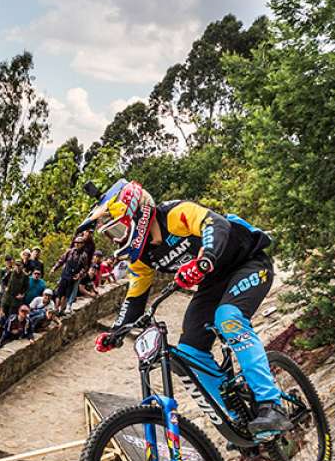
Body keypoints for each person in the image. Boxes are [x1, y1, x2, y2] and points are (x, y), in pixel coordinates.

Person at [90, 180, 292, 435]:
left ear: (137, 214)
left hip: (248, 263)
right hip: (212, 284)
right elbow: (135, 296)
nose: (118, 238)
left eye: (119, 229)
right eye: (113, 233)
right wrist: (116, 331)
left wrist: (205, 259)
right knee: (188, 352)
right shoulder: (141, 258)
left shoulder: (175, 214)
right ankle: (238, 417)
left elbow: (215, 224)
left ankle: (271, 404)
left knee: (227, 317)